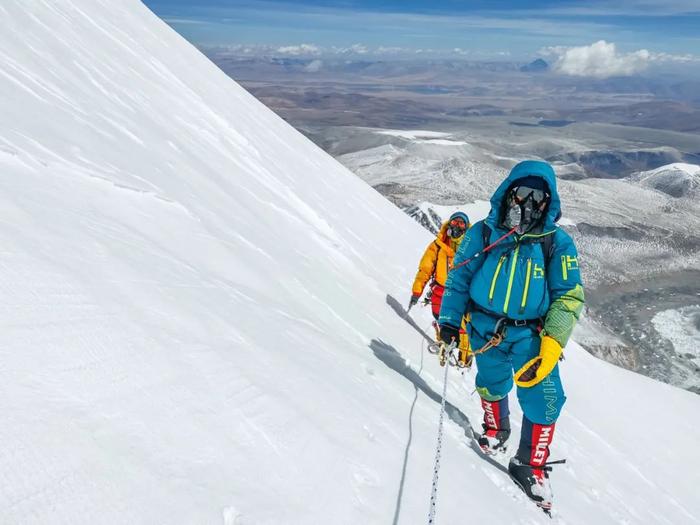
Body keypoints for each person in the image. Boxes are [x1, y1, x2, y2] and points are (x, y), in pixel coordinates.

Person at [438, 160, 584, 511]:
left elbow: (568, 295)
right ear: (508, 193)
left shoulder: (556, 244)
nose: (528, 203)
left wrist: (553, 341)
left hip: (531, 337)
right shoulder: (482, 233)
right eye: (522, 193)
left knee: (547, 399)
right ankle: (495, 427)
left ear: (549, 202)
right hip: (483, 329)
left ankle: (529, 464)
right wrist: (448, 321)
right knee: (491, 382)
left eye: (538, 196)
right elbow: (458, 279)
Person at [409, 211, 471, 365]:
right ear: (449, 224)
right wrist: (417, 291)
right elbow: (425, 269)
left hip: (462, 294)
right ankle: (443, 347)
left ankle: (464, 359)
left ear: (466, 227)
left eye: (461, 223)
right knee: (442, 322)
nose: (457, 226)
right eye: (454, 222)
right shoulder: (437, 246)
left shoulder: (471, 247)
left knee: (464, 329)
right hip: (440, 292)